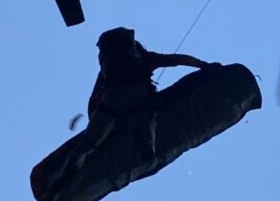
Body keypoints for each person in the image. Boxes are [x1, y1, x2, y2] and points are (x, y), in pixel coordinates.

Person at [81, 27, 211, 165]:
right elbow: (179, 59)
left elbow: (94, 96)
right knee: (148, 116)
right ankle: (147, 146)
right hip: (139, 94)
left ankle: (78, 158)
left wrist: (93, 115)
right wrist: (203, 65)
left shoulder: (107, 72)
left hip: (112, 98)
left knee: (89, 142)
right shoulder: (146, 58)